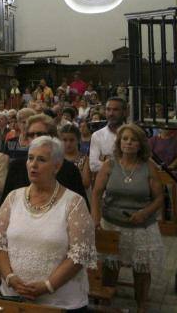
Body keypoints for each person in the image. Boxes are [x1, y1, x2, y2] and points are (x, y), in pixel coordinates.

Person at [0, 136, 96, 311]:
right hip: (14, 297)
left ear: (57, 166)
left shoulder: (74, 202)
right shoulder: (13, 197)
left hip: (60, 303)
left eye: (41, 160)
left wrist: (48, 286)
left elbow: (79, 254)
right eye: (30, 158)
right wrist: (9, 277)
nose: (33, 164)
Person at [92, 123, 164, 313]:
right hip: (112, 223)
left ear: (141, 144)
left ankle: (141, 306)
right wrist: (96, 219)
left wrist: (145, 213)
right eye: (125, 139)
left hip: (141, 227)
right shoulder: (109, 164)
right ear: (119, 142)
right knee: (110, 265)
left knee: (141, 268)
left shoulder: (148, 166)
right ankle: (106, 304)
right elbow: (96, 193)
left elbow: (159, 198)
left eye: (133, 140)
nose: (129, 143)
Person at [1, 114, 89, 206]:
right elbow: (5, 204)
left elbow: (81, 205)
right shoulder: (16, 167)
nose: (35, 138)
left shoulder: (69, 169)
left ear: (52, 136)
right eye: (31, 135)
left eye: (40, 134)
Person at [89, 97, 126, 174]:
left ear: (124, 112)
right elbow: (93, 166)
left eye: (115, 110)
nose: (111, 113)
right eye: (108, 109)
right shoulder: (97, 136)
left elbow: (138, 162)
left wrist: (106, 159)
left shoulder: (134, 134)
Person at [59, 124, 90, 189]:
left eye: (72, 140)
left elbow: (86, 183)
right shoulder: (57, 158)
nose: (68, 143)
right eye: (64, 140)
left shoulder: (85, 159)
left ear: (78, 140)